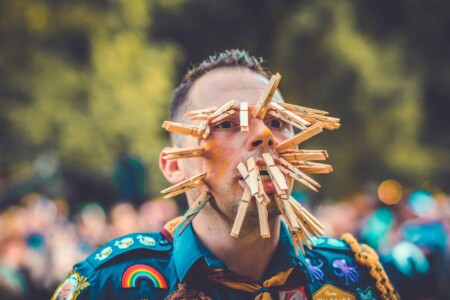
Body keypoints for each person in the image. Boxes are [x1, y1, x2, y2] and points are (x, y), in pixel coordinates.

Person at [52, 49, 398, 300]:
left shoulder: (353, 276)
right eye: (227, 123)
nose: (264, 135)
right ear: (174, 165)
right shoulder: (108, 286)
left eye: (277, 122)